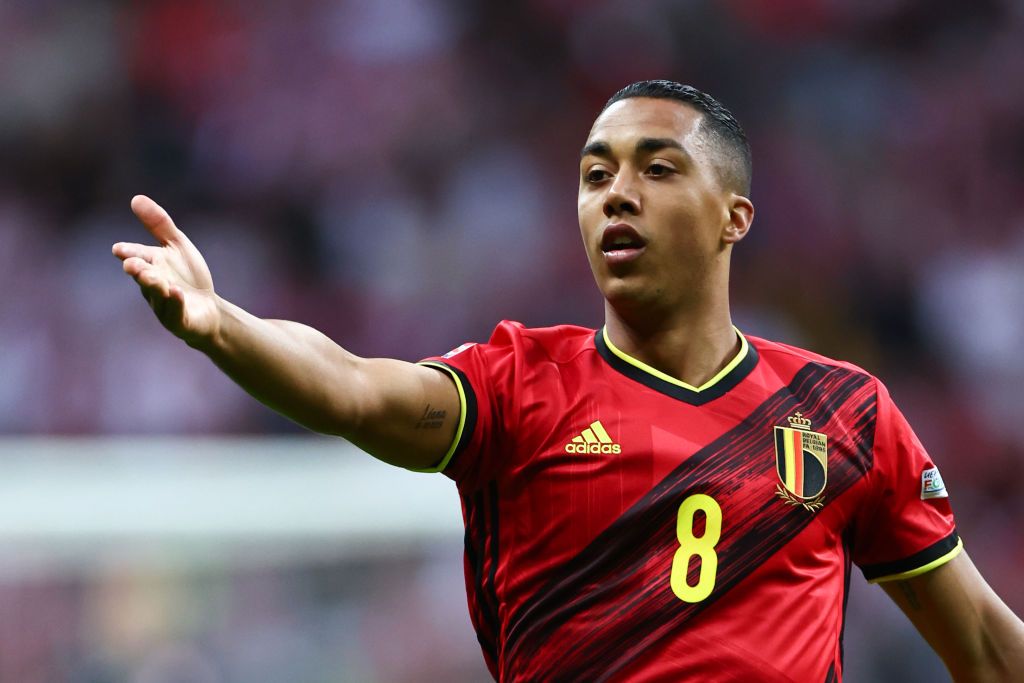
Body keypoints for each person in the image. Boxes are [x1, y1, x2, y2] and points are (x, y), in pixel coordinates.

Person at [113, 80, 1023, 682]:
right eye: (595, 175)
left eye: (657, 168)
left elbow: (983, 642)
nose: (616, 193)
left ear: (734, 216)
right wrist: (222, 325)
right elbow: (352, 387)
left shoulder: (841, 413)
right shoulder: (521, 385)